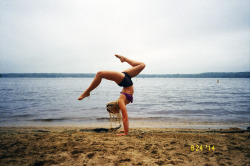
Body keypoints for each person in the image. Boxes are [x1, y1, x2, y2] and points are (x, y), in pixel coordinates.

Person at [78, 54, 146, 136]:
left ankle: (124, 59)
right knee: (100, 73)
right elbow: (125, 118)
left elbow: (125, 118)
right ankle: (87, 92)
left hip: (125, 80)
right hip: (125, 80)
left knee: (142, 65)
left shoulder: (122, 101)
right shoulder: (121, 102)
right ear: (113, 106)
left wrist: (125, 130)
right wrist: (125, 132)